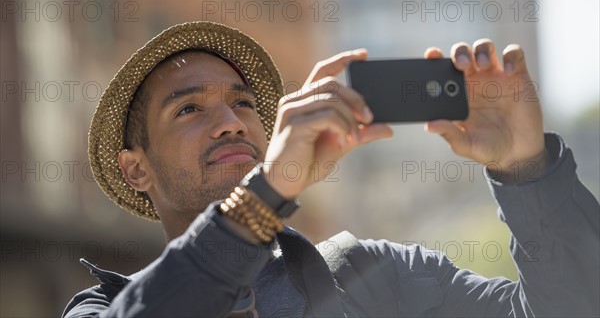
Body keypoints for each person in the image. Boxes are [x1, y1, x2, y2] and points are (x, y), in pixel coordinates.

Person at [63, 21, 599, 317]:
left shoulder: (375, 276)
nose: (231, 123)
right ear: (136, 171)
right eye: (188, 109)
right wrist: (261, 199)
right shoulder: (101, 309)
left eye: (244, 104)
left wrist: (527, 170)